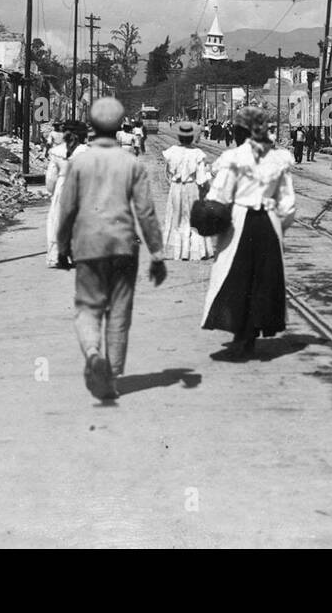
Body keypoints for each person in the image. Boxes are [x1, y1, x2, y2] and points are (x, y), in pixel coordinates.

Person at [56, 97, 167, 401]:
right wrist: (157, 253)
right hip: (124, 245)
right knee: (119, 311)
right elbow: (145, 212)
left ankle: (93, 355)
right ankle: (114, 376)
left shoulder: (79, 162)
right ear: (120, 126)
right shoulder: (130, 163)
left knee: (88, 307)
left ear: (91, 126)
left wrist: (62, 246)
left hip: (88, 245)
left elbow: (66, 209)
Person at [201, 106, 296, 358]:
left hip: (239, 220)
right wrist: (278, 228)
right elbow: (288, 204)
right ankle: (252, 334)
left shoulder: (235, 157)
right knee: (264, 279)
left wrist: (211, 218)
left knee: (235, 277)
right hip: (269, 222)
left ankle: (239, 334)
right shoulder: (279, 158)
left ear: (241, 130)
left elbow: (219, 194)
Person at [161, 121, 214, 261]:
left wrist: (174, 181)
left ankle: (174, 251)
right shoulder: (197, 154)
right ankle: (192, 250)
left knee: (175, 215)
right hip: (192, 188)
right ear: (192, 137)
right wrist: (208, 187)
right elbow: (202, 179)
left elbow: (166, 173)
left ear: (179, 137)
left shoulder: (171, 151)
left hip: (176, 187)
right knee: (191, 217)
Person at [44, 124, 83, 267]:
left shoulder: (56, 152)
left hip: (62, 187)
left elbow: (50, 177)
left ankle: (56, 256)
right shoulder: (86, 151)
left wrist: (52, 191)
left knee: (57, 221)